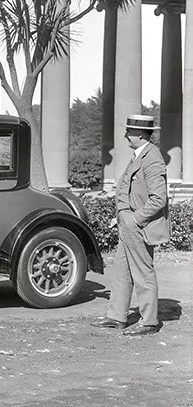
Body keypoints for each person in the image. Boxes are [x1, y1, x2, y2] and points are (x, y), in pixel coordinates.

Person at [91, 114, 170, 336]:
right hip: (128, 224)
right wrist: (120, 217)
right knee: (122, 272)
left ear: (139, 134)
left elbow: (158, 198)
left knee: (143, 273)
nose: (126, 135)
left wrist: (135, 219)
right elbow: (130, 190)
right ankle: (117, 317)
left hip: (139, 226)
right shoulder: (139, 155)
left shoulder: (152, 158)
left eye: (129, 131)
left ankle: (149, 322)